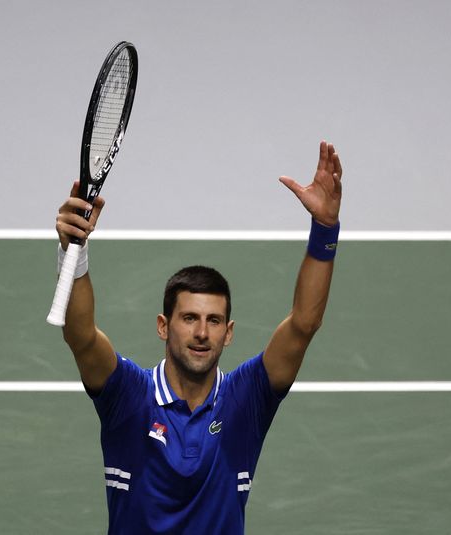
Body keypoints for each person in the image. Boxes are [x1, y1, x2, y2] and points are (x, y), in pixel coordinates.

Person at [54, 141, 342, 534]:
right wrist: (74, 250)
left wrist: (324, 231)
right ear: (163, 326)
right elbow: (81, 336)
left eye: (214, 321)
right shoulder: (129, 396)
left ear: (229, 333)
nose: (202, 332)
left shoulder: (246, 400)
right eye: (189, 318)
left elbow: (303, 324)